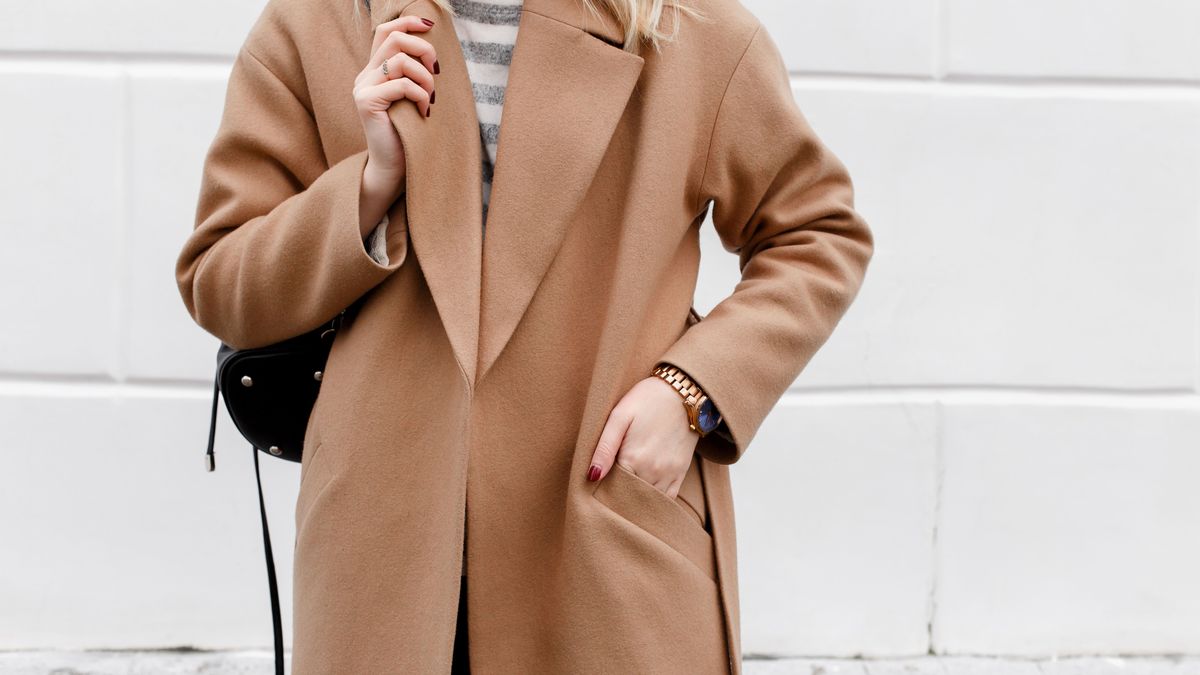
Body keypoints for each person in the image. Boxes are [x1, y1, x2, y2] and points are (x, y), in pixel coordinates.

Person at [174, 0, 875, 671]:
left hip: (599, 547)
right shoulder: (317, 24)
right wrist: (368, 185)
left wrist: (691, 392)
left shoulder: (687, 26)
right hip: (384, 558)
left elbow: (817, 234)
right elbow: (219, 276)